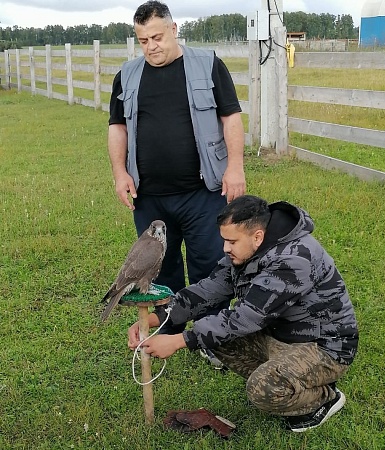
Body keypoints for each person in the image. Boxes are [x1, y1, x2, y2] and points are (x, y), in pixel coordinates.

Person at [128, 195, 359, 432]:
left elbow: (245, 318)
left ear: (257, 236)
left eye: (231, 241)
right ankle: (290, 377)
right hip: (282, 336)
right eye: (224, 240)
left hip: (325, 347)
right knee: (215, 338)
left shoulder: (294, 259)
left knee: (263, 389)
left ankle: (323, 398)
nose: (225, 248)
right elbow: (209, 290)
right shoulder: (251, 248)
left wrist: (179, 341)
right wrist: (158, 317)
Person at [108, 1, 245, 342]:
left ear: (174, 29)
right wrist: (119, 174)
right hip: (149, 196)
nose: (151, 46)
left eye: (157, 36)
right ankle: (169, 326)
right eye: (143, 40)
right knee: (161, 268)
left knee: (209, 264)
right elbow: (117, 127)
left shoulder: (209, 64)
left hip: (202, 192)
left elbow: (231, 117)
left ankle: (210, 335)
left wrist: (235, 166)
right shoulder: (127, 75)